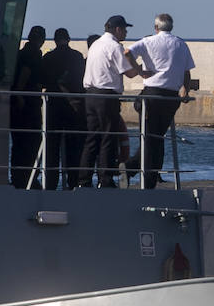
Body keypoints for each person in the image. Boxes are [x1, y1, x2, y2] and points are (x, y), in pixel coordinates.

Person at [125, 12, 195, 189]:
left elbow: (127, 52)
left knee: (149, 138)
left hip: (152, 94)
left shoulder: (149, 41)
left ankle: (133, 170)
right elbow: (187, 72)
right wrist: (184, 90)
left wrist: (139, 72)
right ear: (171, 27)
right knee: (157, 137)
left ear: (156, 27)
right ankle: (144, 174)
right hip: (171, 97)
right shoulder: (181, 44)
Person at [79, 15, 143, 187]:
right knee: (108, 138)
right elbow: (129, 73)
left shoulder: (95, 45)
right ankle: (105, 179)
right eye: (125, 29)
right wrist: (141, 68)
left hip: (90, 95)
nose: (126, 32)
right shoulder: (114, 47)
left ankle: (83, 180)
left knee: (92, 138)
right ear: (117, 29)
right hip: (106, 97)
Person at [40, 28, 86, 190]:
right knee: (74, 147)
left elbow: (43, 80)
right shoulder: (77, 57)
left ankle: (51, 183)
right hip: (74, 106)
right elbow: (81, 79)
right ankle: (73, 182)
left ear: (54, 40)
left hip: (54, 106)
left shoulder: (48, 58)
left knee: (52, 147)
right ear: (69, 39)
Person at [9, 25, 46, 188]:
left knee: (18, 143)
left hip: (17, 104)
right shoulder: (34, 54)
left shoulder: (19, 53)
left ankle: (17, 176)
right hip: (28, 103)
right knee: (33, 140)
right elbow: (26, 71)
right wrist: (20, 93)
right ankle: (28, 177)